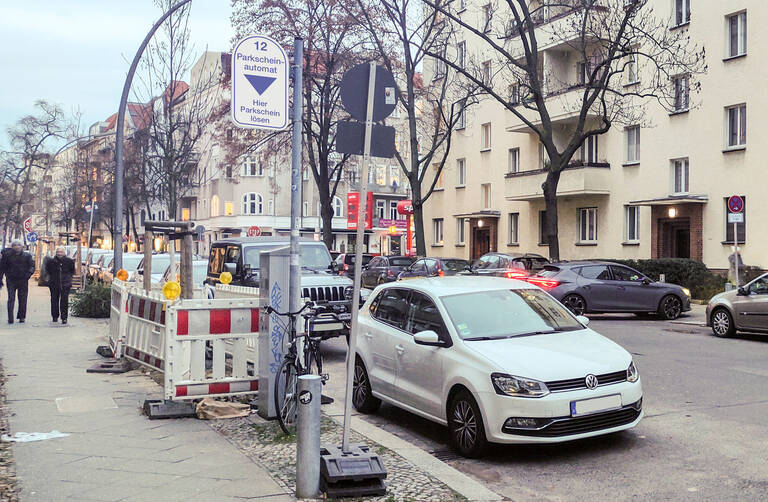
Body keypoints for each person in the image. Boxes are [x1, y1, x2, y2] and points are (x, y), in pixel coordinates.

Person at [0, 240, 35, 324]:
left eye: (18, 245)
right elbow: (2, 267)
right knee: (11, 299)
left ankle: (22, 316)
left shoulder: (27, 256)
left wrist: (28, 274)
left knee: (23, 298)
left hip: (23, 280)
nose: (16, 247)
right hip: (11, 280)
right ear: (12, 247)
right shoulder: (7, 256)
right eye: (14, 245)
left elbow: (32, 266)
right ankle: (10, 318)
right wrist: (1, 277)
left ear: (22, 247)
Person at [46, 246, 75, 325]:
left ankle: (64, 318)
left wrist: (68, 279)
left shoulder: (69, 261)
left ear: (64, 253)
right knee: (54, 300)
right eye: (58, 252)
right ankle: (55, 316)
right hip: (54, 283)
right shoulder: (51, 261)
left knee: (64, 300)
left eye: (61, 252)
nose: (59, 253)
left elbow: (72, 271)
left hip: (65, 283)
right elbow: (48, 271)